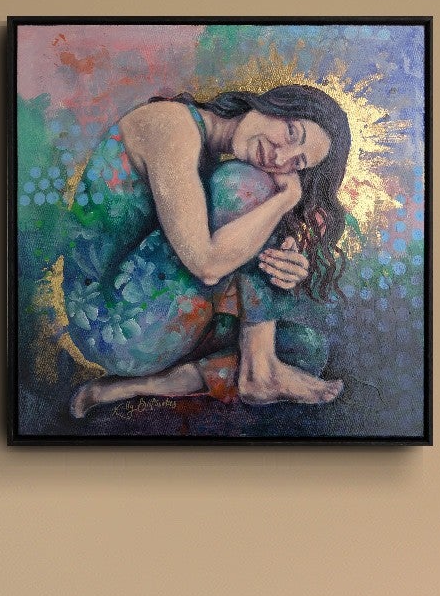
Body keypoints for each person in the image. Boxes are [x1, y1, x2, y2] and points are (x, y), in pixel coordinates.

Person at [51, 84, 351, 416]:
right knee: (248, 186)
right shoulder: (171, 125)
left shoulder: (208, 147)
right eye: (292, 132)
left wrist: (282, 265)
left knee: (306, 348)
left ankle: (131, 387)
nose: (280, 158)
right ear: (273, 104)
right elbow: (206, 264)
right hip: (112, 323)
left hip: (155, 315)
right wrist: (284, 199)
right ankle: (258, 372)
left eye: (297, 162)